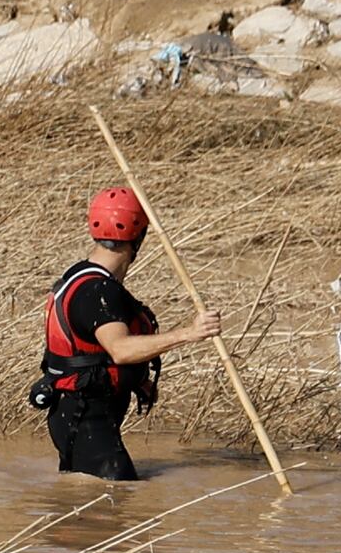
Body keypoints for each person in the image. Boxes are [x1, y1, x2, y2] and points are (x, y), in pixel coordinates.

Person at [33, 185, 227, 481]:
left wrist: (139, 380)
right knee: (116, 500)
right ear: (139, 237)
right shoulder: (98, 291)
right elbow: (120, 349)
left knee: (88, 504)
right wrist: (190, 333)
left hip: (77, 415)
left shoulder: (81, 275)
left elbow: (95, 351)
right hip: (84, 417)